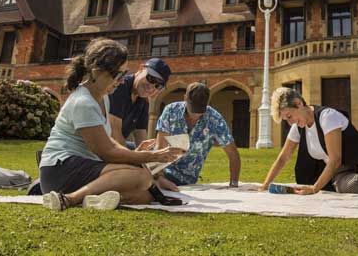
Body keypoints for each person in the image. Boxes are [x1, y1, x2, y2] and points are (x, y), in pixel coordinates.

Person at [38, 38, 185, 211]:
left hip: (84, 166)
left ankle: (93, 199)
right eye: (118, 75)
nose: (122, 80)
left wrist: (140, 158)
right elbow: (106, 151)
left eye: (123, 74)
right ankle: (70, 199)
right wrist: (153, 157)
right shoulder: (84, 102)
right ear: (97, 71)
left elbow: (110, 142)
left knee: (145, 194)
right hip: (59, 170)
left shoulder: (104, 98)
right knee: (142, 178)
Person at [155, 82, 241, 189]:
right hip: (162, 171)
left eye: (200, 111)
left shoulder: (214, 119)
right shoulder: (171, 111)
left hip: (186, 178)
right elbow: (159, 147)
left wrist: (233, 184)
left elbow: (233, 154)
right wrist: (159, 177)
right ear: (185, 98)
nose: (195, 116)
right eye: (193, 109)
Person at [108, 57, 171, 148]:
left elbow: (141, 138)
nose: (151, 87)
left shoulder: (143, 101)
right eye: (151, 79)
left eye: (158, 86)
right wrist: (135, 158)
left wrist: (152, 157)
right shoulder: (120, 86)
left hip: (116, 145)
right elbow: (114, 134)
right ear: (141, 68)